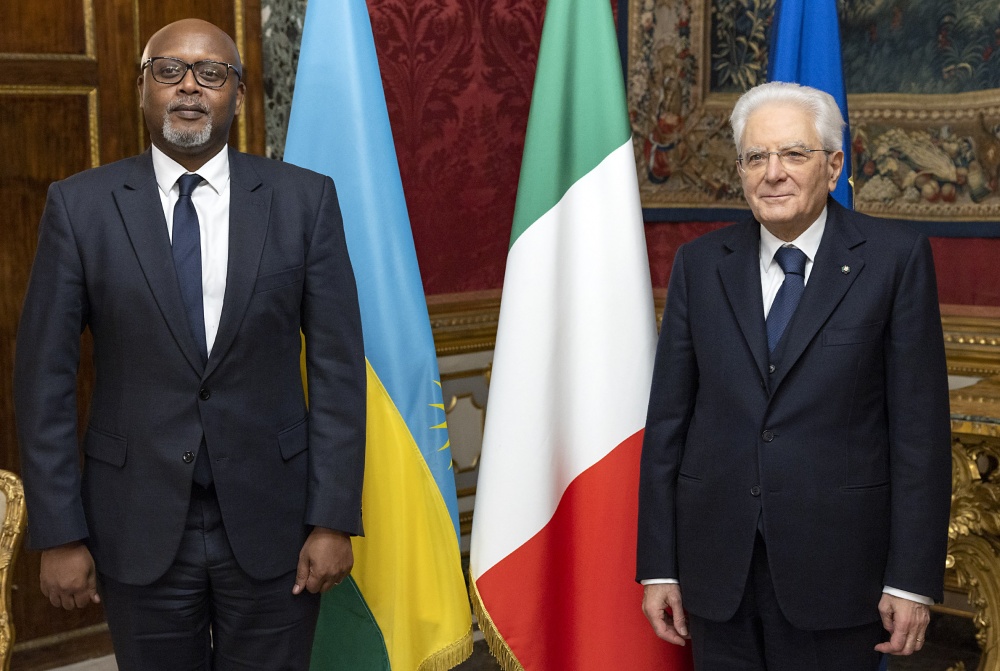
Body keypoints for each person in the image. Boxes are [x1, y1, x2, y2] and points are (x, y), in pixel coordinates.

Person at [13, 18, 366, 670]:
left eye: (211, 72)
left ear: (237, 91)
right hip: (135, 526)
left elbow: (340, 369)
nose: (189, 88)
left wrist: (332, 518)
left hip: (276, 524)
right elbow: (44, 382)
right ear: (142, 87)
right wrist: (59, 532)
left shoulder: (304, 202)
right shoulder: (79, 207)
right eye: (169, 70)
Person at [636, 81, 952, 670]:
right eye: (756, 157)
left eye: (793, 154)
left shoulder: (894, 259)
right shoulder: (700, 265)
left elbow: (920, 436)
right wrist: (659, 565)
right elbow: (668, 426)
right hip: (717, 573)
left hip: (840, 575)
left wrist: (910, 580)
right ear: (740, 169)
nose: (772, 173)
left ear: (833, 167)